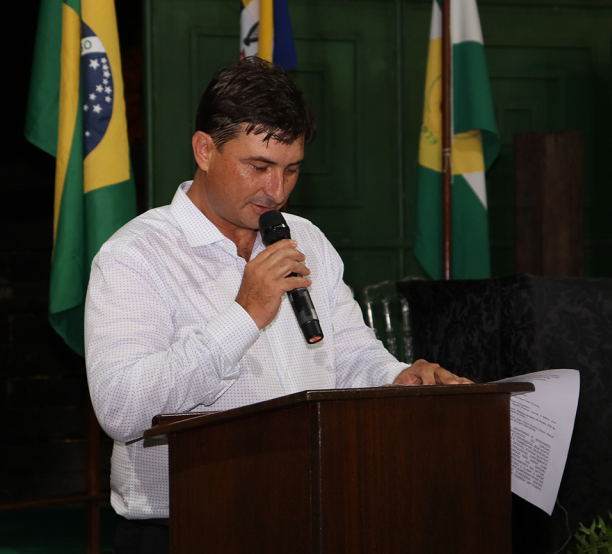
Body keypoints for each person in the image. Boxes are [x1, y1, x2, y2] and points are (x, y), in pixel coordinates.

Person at [85, 57, 469, 553]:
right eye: (259, 167)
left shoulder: (307, 239)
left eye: (291, 170)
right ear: (204, 150)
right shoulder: (135, 255)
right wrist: (244, 316)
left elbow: (351, 357)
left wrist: (398, 378)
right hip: (184, 528)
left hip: (312, 513)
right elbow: (121, 409)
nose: (277, 191)